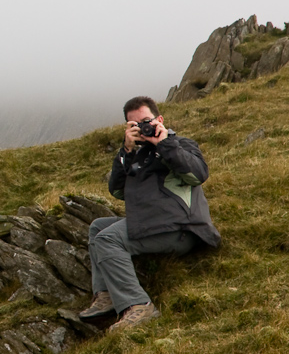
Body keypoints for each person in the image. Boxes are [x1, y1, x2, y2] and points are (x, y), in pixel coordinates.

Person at [79, 95, 220, 332]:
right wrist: (126, 150)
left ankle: (139, 305)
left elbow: (198, 175)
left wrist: (164, 144)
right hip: (154, 223)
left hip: (181, 228)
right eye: (135, 125)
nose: (143, 128)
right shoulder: (136, 156)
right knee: (98, 227)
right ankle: (106, 295)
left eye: (147, 121)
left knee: (108, 238)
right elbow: (117, 190)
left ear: (160, 120)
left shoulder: (181, 144)